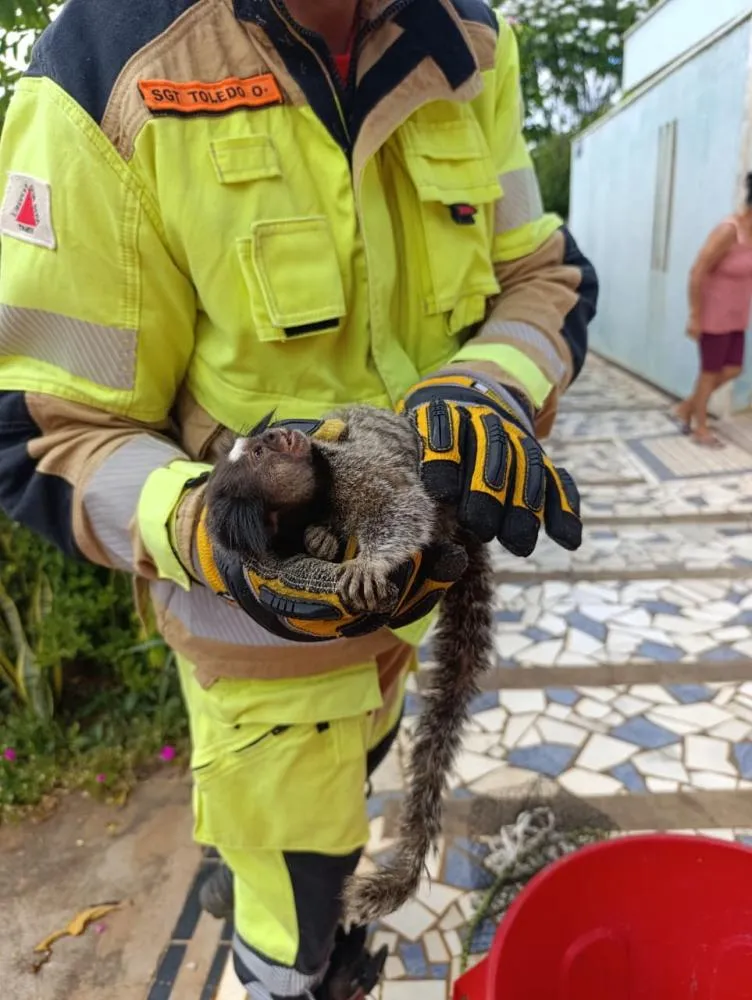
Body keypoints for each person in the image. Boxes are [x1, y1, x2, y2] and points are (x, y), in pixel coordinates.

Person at [0, 1, 598, 997]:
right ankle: (291, 971)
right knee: (286, 892)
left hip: (406, 610)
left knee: (360, 778)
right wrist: (201, 523)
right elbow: (46, 433)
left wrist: (482, 389)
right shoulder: (103, 67)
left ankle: (331, 948)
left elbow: (538, 273)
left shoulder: (466, 42)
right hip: (259, 661)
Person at [674, 172, 752, 447]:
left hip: (736, 316)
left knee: (732, 369)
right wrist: (695, 314)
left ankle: (686, 408)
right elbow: (698, 271)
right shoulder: (730, 231)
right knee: (710, 371)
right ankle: (700, 427)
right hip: (713, 314)